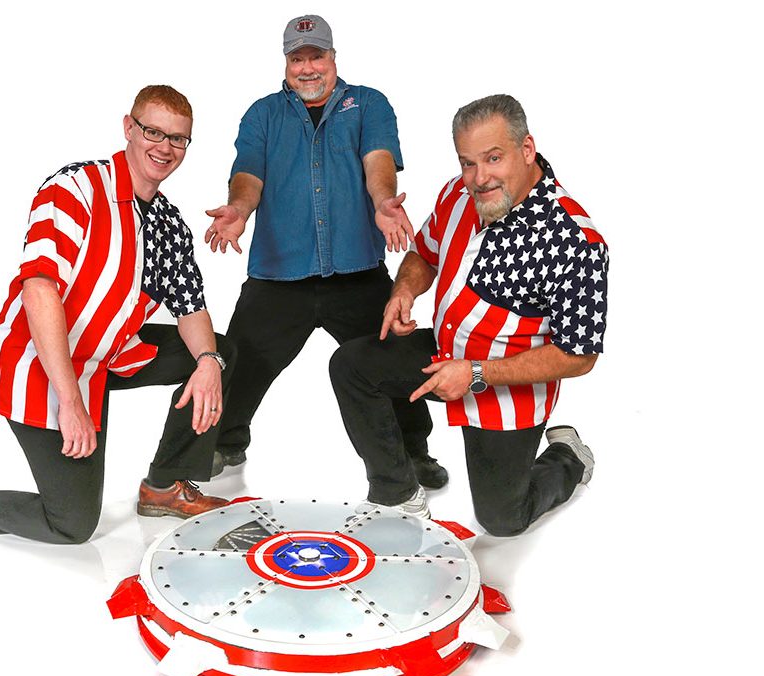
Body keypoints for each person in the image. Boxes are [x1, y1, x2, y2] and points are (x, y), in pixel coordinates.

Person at [0, 85, 234, 544]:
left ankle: (164, 488)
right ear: (129, 128)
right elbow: (39, 288)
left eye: (177, 138)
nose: (165, 147)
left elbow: (191, 307)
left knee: (219, 353)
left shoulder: (169, 224)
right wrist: (71, 401)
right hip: (43, 366)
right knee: (73, 524)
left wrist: (208, 363)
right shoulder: (75, 188)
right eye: (153, 132)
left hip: (108, 357)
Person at [328, 94, 608, 536]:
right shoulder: (457, 193)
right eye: (467, 162)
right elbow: (424, 252)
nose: (479, 178)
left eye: (493, 158)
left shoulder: (574, 239)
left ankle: (569, 457)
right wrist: (404, 290)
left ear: (527, 149)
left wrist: (476, 373)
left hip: (505, 389)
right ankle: (396, 493)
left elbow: (580, 355)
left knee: (502, 520)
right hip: (445, 353)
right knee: (351, 364)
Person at [202, 14, 445, 487]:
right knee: (240, 362)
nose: (308, 67)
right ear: (286, 62)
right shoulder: (262, 114)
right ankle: (224, 444)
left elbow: (378, 160)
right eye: (298, 59)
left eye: (317, 56)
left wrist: (382, 201)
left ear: (333, 57)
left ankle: (414, 450)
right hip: (279, 275)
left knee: (390, 358)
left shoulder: (368, 103)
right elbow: (248, 173)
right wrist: (239, 208)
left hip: (357, 272)